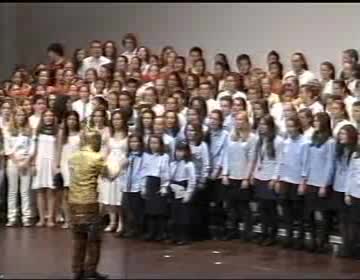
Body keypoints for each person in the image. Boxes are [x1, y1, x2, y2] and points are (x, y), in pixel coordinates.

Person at [68, 128, 115, 280]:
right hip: (89, 202)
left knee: (78, 238)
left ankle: (77, 270)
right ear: (94, 141)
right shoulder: (97, 158)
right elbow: (110, 175)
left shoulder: (73, 157)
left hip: (73, 201)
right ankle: (90, 270)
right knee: (94, 238)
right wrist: (119, 165)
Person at [302, 112, 336, 253]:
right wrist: (304, 178)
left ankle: (323, 240)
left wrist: (324, 183)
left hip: (322, 182)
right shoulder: (312, 138)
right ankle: (313, 238)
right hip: (311, 180)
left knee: (324, 213)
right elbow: (307, 160)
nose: (315, 123)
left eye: (317, 121)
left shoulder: (330, 142)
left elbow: (330, 163)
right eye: (314, 121)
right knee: (309, 212)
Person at [274, 115, 309, 249]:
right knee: (286, 211)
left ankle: (299, 239)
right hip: (285, 180)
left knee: (298, 212)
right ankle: (288, 237)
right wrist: (278, 178)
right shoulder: (285, 142)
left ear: (298, 127)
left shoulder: (305, 142)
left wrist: (303, 182)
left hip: (297, 181)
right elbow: (281, 161)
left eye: (292, 126)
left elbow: (305, 163)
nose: (289, 129)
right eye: (288, 126)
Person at [222, 111, 257, 242]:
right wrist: (225, 173)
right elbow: (226, 155)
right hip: (231, 175)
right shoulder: (230, 136)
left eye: (241, 120)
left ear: (246, 121)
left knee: (244, 208)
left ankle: (247, 233)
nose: (238, 122)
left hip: (243, 177)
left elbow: (251, 159)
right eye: (237, 119)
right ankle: (233, 231)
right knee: (231, 207)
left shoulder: (252, 138)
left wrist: (246, 177)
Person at [251, 115, 283, 246]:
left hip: (270, 178)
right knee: (262, 208)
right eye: (260, 125)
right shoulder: (260, 139)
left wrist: (275, 178)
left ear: (270, 126)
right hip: (260, 176)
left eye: (264, 125)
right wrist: (254, 174)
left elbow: (280, 161)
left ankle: (272, 234)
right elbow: (258, 158)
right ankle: (263, 232)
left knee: (271, 208)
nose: (261, 127)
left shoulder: (278, 141)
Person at [4, 108, 35, 227]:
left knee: (25, 191)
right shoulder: (8, 130)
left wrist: (26, 161)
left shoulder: (29, 130)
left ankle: (26, 217)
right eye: (18, 115)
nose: (20, 117)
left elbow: (32, 147)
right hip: (13, 162)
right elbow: (8, 148)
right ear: (14, 116)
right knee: (12, 190)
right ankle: (11, 217)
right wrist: (17, 162)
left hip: (26, 161)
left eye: (22, 115)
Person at [141, 135, 170, 241]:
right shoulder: (146, 156)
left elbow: (165, 172)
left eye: (156, 143)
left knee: (160, 211)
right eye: (152, 143)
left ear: (160, 144)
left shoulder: (164, 156)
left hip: (159, 182)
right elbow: (143, 171)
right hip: (150, 182)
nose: (153, 145)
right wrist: (143, 186)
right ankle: (151, 232)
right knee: (150, 211)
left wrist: (164, 186)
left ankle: (161, 233)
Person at [117, 133, 145, 239]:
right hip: (126, 185)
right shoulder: (127, 156)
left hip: (136, 186)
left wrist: (142, 186)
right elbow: (122, 171)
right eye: (132, 142)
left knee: (136, 209)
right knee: (125, 208)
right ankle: (125, 228)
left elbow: (143, 171)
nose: (134, 144)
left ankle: (135, 230)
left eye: (136, 141)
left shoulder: (143, 156)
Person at [169, 141, 196, 245]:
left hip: (183, 188)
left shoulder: (189, 165)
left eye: (181, 151)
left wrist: (188, 194)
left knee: (183, 216)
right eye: (177, 151)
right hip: (174, 188)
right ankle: (174, 236)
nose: (179, 153)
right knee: (174, 214)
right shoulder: (173, 164)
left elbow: (192, 181)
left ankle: (184, 237)